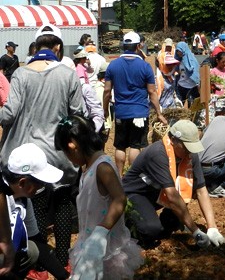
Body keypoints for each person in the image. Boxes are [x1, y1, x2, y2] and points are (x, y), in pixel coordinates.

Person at [0, 24, 83, 270]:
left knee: (31, 209)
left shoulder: (21, 74)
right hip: (59, 154)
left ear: (35, 47)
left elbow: (8, 116)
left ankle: (35, 263)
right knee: (62, 204)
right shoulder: (68, 75)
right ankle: (61, 260)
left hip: (27, 154)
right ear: (58, 47)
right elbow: (79, 114)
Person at [54, 114, 143, 279]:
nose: (69, 160)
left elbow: (119, 198)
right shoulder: (88, 167)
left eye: (66, 153)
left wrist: (99, 234)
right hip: (91, 243)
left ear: (73, 146)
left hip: (106, 249)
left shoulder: (102, 167)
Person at [122, 120, 225, 248]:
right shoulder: (158, 153)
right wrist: (196, 231)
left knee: (172, 221)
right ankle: (126, 222)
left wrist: (212, 227)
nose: (189, 151)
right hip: (135, 194)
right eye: (186, 146)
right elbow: (172, 196)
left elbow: (201, 190)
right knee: (151, 230)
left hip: (156, 194)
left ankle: (162, 224)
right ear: (173, 139)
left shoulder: (190, 155)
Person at [103, 31, 167, 176]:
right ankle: (133, 176)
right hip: (139, 113)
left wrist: (105, 110)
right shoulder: (144, 67)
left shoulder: (113, 66)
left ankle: (119, 177)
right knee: (135, 146)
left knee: (120, 146)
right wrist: (159, 113)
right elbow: (152, 92)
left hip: (121, 112)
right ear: (138, 46)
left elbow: (107, 91)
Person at [0, 143, 67, 279]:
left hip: (6, 259)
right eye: (40, 184)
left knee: (31, 250)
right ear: (22, 182)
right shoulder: (3, 200)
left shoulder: (24, 200)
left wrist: (65, 276)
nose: (42, 187)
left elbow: (36, 243)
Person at [73, 49, 105, 134]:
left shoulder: (82, 66)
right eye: (84, 57)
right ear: (81, 58)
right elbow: (82, 81)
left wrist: (88, 64)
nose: (86, 59)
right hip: (85, 90)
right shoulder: (79, 68)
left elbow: (90, 70)